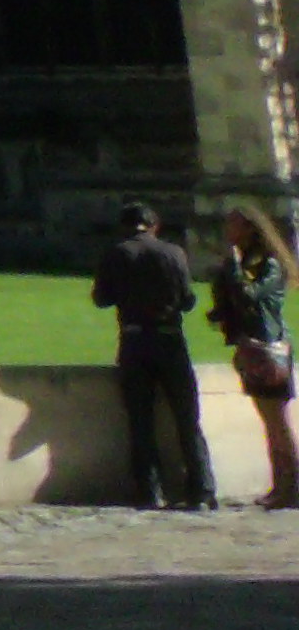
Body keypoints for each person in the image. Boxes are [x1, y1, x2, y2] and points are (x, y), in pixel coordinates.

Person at [92, 198, 216, 511]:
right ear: (155, 226)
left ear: (124, 227)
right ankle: (201, 489)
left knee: (140, 419)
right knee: (187, 417)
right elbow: (188, 300)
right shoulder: (174, 253)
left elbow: (101, 299)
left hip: (134, 339)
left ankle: (150, 490)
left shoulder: (117, 253)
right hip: (170, 338)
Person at [214, 200, 297, 511]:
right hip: (251, 348)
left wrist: (233, 266)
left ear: (249, 228)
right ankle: (280, 484)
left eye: (233, 223)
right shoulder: (247, 261)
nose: (228, 229)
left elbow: (249, 294)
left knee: (277, 423)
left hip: (269, 349)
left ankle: (292, 485)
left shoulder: (269, 264)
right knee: (269, 422)